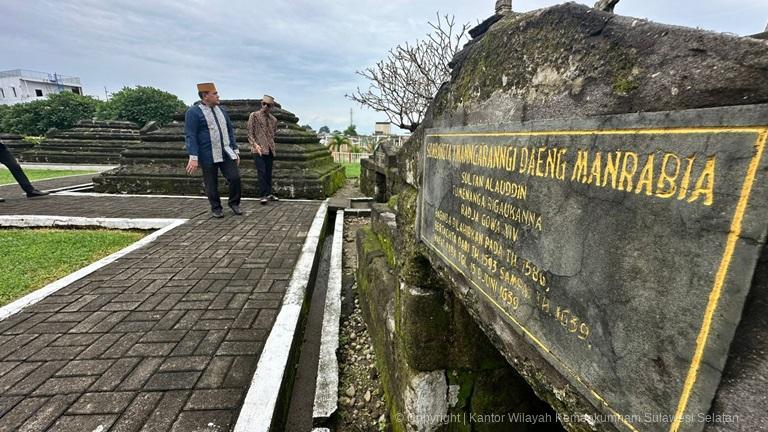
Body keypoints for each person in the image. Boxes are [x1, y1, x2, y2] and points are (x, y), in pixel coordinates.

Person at [185, 82, 242, 218]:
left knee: (235, 178)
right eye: (215, 93)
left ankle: (234, 203)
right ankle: (216, 207)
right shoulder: (193, 112)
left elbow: (229, 131)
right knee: (211, 183)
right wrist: (193, 156)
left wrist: (235, 149)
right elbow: (190, 135)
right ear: (205, 96)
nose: (218, 96)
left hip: (226, 151)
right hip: (207, 153)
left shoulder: (222, 111)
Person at [247, 95, 279, 205]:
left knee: (269, 172)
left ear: (271, 107)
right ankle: (263, 195)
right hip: (258, 149)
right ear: (261, 103)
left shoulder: (273, 119)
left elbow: (273, 134)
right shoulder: (254, 116)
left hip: (269, 148)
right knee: (262, 172)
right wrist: (255, 145)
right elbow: (250, 133)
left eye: (268, 105)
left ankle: (269, 193)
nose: (265, 106)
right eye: (263, 104)